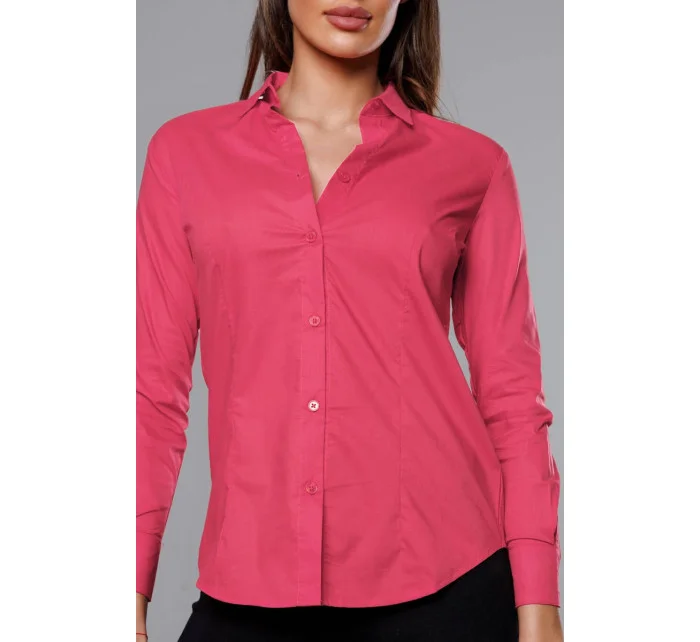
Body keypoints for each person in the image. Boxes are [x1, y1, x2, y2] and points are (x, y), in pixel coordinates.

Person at [135, 1, 563, 640]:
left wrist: (539, 604)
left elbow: (513, 398)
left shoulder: (474, 166)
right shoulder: (184, 154)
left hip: (448, 584)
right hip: (250, 581)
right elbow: (151, 394)